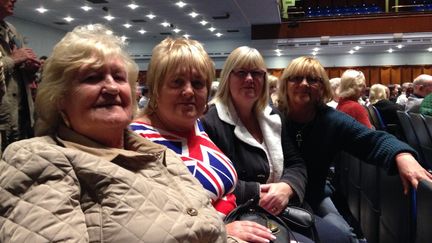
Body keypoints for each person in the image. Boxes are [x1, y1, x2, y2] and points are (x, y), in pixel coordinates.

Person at [0, 24, 229, 242]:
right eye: (92, 77)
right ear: (60, 98)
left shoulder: (158, 155)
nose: (111, 88)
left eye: (119, 78)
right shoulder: (37, 156)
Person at [130, 38, 282, 243]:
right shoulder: (136, 140)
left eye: (198, 83)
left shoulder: (195, 125)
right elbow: (148, 225)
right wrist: (220, 230)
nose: (189, 91)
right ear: (156, 87)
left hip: (241, 218)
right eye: (177, 82)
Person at [202, 46, 351, 243]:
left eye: (257, 73)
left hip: (283, 207)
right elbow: (212, 182)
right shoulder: (210, 122)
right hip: (243, 213)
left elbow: (295, 163)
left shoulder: (273, 117)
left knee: (339, 239)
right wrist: (257, 192)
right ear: (228, 78)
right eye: (241, 72)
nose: (249, 78)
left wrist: (287, 187)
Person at [276, 56, 432, 242]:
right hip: (278, 199)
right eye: (296, 78)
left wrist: (402, 155)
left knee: (345, 236)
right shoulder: (271, 117)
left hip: (314, 196)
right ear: (285, 84)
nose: (304, 84)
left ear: (323, 87)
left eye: (312, 79)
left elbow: (372, 140)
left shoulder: (331, 120)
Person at [0, 0, 40, 153]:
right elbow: (13, 60)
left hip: (20, 116)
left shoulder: (11, 30)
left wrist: (29, 68)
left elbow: (17, 68)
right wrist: (13, 60)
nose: (15, 0)